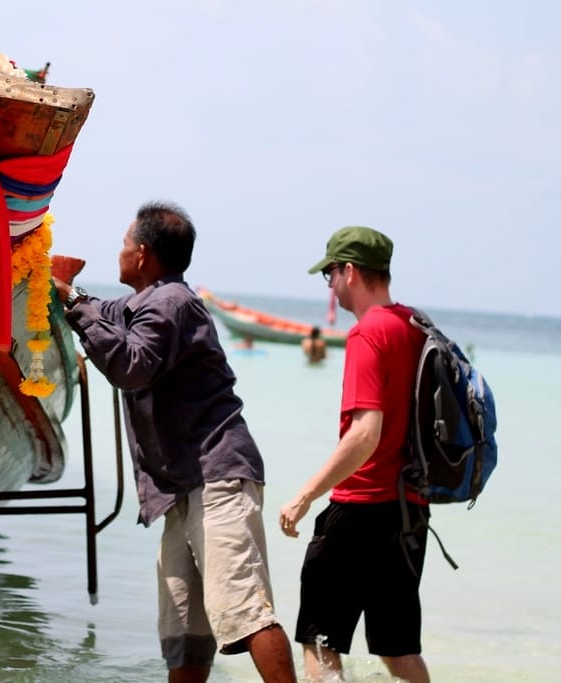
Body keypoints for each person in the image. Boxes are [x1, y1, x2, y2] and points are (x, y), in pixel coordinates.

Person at [53, 201, 297, 683]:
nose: (119, 252)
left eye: (124, 244)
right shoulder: (150, 301)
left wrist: (75, 306)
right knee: (185, 636)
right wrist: (72, 295)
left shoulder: (170, 304)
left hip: (216, 477)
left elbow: (130, 366)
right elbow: (104, 311)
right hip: (183, 486)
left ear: (142, 255)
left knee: (246, 612)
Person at [278, 226, 430, 683]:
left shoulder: (368, 333)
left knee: (319, 643)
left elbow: (365, 434)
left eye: (330, 275)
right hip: (410, 514)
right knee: (400, 650)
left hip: (361, 511)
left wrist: (304, 496)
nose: (331, 286)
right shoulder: (415, 325)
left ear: (348, 271)